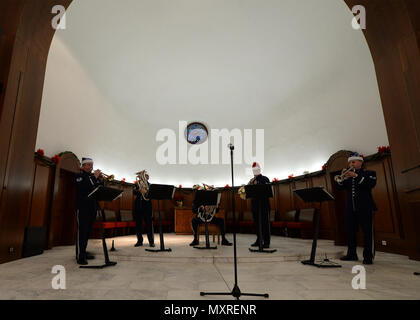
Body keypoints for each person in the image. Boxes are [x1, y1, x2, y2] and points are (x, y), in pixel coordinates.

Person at [336, 152, 377, 265]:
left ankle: (368, 257)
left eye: (353, 161)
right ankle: (352, 254)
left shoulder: (369, 173)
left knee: (367, 232)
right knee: (350, 231)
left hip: (366, 207)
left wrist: (355, 176)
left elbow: (370, 184)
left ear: (360, 162)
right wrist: (342, 177)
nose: (351, 163)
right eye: (350, 162)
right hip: (351, 208)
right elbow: (340, 187)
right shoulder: (348, 176)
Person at [75, 157, 103, 265]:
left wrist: (100, 180)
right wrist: (95, 177)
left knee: (87, 232)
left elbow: (97, 189)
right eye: (90, 165)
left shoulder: (92, 177)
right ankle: (80, 256)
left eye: (92, 165)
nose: (92, 167)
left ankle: (84, 252)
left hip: (92, 207)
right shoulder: (79, 176)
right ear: (84, 166)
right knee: (82, 232)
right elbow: (83, 187)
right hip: (82, 208)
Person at [249, 162, 272, 248]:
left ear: (259, 169)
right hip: (255, 206)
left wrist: (256, 184)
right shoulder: (252, 180)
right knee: (257, 224)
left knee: (265, 224)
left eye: (256, 169)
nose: (255, 171)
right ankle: (259, 240)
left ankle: (266, 242)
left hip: (264, 206)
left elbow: (266, 190)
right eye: (253, 170)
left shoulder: (265, 179)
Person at [133, 170, 155, 247]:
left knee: (149, 225)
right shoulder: (137, 184)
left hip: (147, 207)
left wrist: (146, 191)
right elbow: (134, 192)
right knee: (138, 225)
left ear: (148, 178)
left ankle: (151, 242)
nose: (145, 177)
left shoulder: (150, 185)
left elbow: (151, 195)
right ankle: (139, 241)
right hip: (138, 206)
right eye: (144, 175)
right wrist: (140, 191)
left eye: (146, 175)